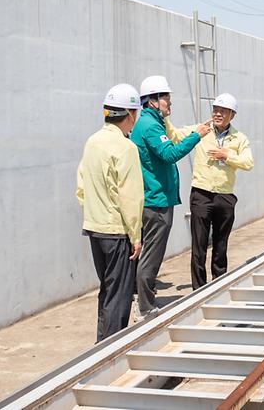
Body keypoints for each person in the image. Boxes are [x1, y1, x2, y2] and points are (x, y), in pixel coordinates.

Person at [130, 76, 211, 320]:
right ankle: (145, 308)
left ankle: (141, 300)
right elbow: (170, 154)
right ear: (152, 100)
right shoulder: (151, 126)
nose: (169, 102)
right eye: (166, 98)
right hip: (156, 201)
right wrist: (197, 136)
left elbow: (171, 141)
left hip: (154, 198)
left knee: (146, 254)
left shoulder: (150, 122)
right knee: (151, 256)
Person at [75, 83, 144, 342]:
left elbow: (81, 185)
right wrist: (135, 235)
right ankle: (110, 353)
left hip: (94, 228)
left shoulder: (92, 142)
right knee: (120, 295)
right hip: (117, 231)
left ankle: (100, 344)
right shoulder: (126, 148)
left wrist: (95, 211)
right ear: (129, 115)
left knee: (107, 290)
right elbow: (131, 196)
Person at [166, 93, 253, 290]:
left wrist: (227, 155)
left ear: (232, 115)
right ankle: (198, 290)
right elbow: (174, 135)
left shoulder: (239, 138)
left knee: (221, 246)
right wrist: (164, 116)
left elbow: (248, 162)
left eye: (223, 111)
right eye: (215, 110)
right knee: (199, 246)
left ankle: (219, 285)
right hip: (201, 195)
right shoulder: (202, 130)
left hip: (225, 197)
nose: (218, 114)